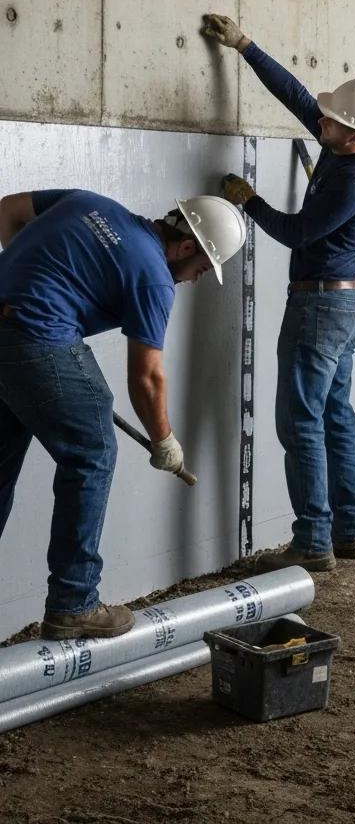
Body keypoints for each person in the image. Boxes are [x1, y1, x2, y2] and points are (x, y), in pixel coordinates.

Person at [0, 189, 245, 639]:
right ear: (186, 247)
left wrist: (27, 281)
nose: (195, 279)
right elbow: (147, 378)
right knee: (91, 452)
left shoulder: (91, 203)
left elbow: (8, 209)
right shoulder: (154, 276)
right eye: (202, 269)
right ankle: (74, 603)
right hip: (40, 336)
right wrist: (164, 440)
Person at [201, 12, 355, 572]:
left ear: (352, 132)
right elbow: (298, 97)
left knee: (300, 421)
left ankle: (313, 540)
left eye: (329, 121)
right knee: (335, 416)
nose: (318, 121)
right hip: (343, 305)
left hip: (321, 307)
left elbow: (297, 232)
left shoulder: (353, 180)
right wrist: (246, 46)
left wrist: (248, 200)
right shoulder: (344, 146)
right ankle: (348, 531)